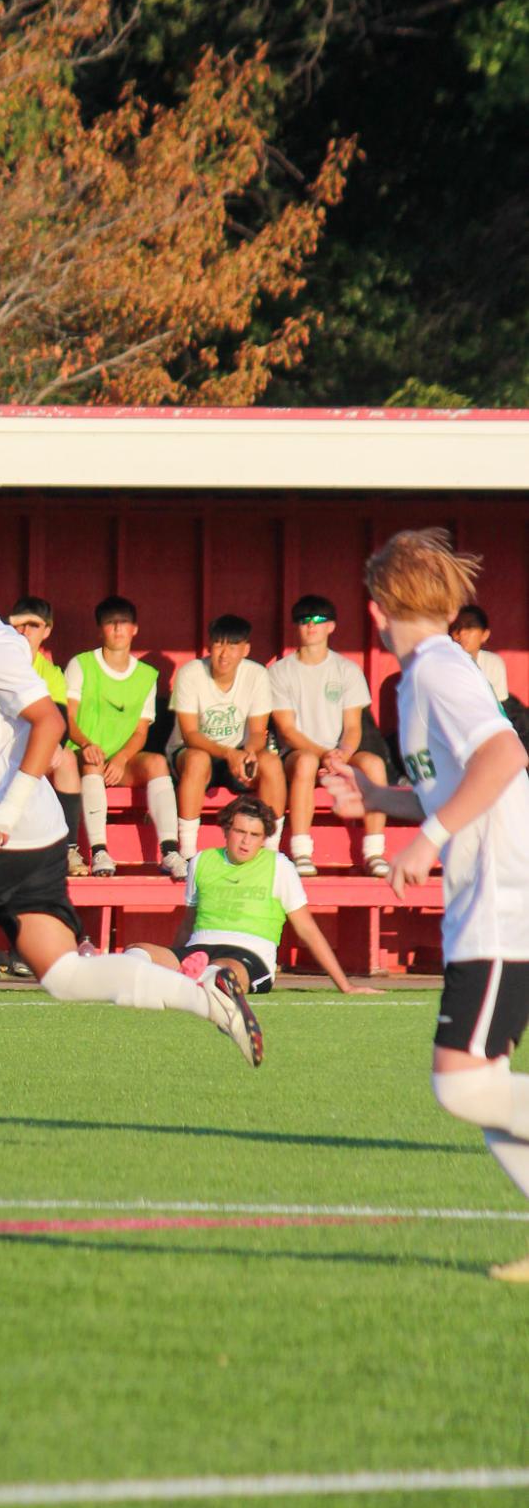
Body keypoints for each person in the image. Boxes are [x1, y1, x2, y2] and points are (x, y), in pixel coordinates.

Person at [0, 518, 258, 1146]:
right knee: (62, 976)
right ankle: (205, 994)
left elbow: (49, 722)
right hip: (35, 836)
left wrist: (3, 813)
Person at [323, 529, 529, 1283]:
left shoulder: (439, 669)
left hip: (507, 896)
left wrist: (426, 840)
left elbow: (507, 757)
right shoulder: (425, 675)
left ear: (378, 603)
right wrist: (383, 800)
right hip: (487, 895)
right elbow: (456, 783)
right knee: (480, 1087)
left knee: (464, 1083)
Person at [128, 794, 379, 1041]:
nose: (246, 842)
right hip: (198, 950)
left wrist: (344, 985)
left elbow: (307, 929)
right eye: (240, 832)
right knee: (136, 952)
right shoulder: (201, 861)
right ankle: (179, 979)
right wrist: (176, 955)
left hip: (249, 955)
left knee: (223, 975)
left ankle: (185, 983)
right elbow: (187, 923)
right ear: (226, 830)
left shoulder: (279, 866)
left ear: (264, 838)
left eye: (255, 835)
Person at [268, 594, 390, 878]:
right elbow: (287, 730)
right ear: (295, 627)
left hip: (338, 753)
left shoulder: (347, 670)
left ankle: (374, 852)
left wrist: (343, 754)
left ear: (331, 627)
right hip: (298, 754)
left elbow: (353, 726)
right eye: (303, 620)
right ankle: (301, 851)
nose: (311, 626)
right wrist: (324, 755)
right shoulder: (280, 671)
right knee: (307, 762)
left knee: (374, 765)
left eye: (319, 620)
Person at [64, 596, 182, 879]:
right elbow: (67, 718)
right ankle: (99, 851)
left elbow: (141, 731)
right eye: (110, 623)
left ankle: (169, 850)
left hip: (120, 759)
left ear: (134, 629)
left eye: (123, 622)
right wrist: (86, 744)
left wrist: (122, 758)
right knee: (92, 762)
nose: (117, 629)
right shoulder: (81, 665)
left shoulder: (145, 675)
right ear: (100, 629)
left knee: (155, 763)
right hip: (84, 754)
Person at [168, 614, 286, 864]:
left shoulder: (256, 674)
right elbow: (190, 735)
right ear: (209, 646)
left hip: (239, 753)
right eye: (219, 644)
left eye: (232, 646)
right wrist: (229, 754)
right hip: (195, 753)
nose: (224, 654)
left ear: (245, 649)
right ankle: (187, 851)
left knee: (272, 763)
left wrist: (249, 753)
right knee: (198, 760)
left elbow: (257, 732)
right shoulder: (191, 673)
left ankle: (271, 852)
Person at [7, 595, 87, 876]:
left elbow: (61, 718)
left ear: (47, 631)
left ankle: (68, 849)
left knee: (64, 758)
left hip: (34, 744)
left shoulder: (50, 672)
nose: (25, 632)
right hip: (0, 744)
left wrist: (55, 746)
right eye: (20, 625)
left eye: (34, 626)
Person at [449, 604, 510, 704]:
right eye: (456, 627)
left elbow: (499, 704)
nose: (462, 633)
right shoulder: (443, 665)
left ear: (485, 635)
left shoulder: (493, 663)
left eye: (469, 627)